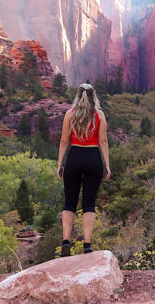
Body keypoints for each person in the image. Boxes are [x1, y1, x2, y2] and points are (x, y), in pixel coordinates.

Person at [56, 83, 110, 256]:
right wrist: (107, 165)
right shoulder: (99, 115)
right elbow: (103, 142)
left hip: (74, 157)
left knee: (69, 203)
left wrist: (59, 164)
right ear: (93, 96)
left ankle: (66, 242)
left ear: (78, 96)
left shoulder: (69, 115)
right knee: (89, 204)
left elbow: (64, 141)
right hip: (93, 158)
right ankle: (87, 245)